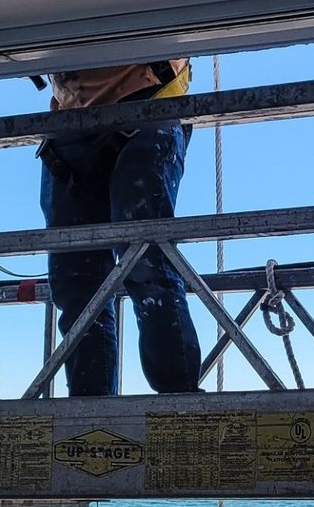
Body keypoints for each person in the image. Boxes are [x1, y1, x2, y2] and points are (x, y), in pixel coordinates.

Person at [36, 61, 202, 395]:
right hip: (72, 123)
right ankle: (90, 412)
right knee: (76, 284)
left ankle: (178, 401)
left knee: (144, 260)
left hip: (147, 101)